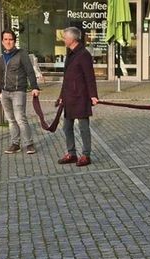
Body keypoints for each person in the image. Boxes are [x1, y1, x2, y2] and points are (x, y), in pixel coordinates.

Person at [55, 26, 99, 167]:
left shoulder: (83, 54)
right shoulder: (70, 53)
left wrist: (93, 95)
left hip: (80, 97)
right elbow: (66, 77)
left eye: (65, 37)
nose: (63, 39)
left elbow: (90, 77)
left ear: (72, 39)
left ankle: (86, 155)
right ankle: (72, 153)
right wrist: (61, 96)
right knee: (67, 127)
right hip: (69, 97)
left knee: (83, 127)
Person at [0, 30, 40, 155]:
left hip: (18, 91)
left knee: (20, 118)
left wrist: (34, 87)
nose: (8, 42)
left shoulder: (21, 54)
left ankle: (29, 144)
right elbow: (2, 76)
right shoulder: (2, 57)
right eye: (5, 39)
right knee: (11, 119)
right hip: (5, 92)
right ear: (2, 41)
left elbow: (30, 71)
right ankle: (15, 144)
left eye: (10, 39)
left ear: (14, 41)